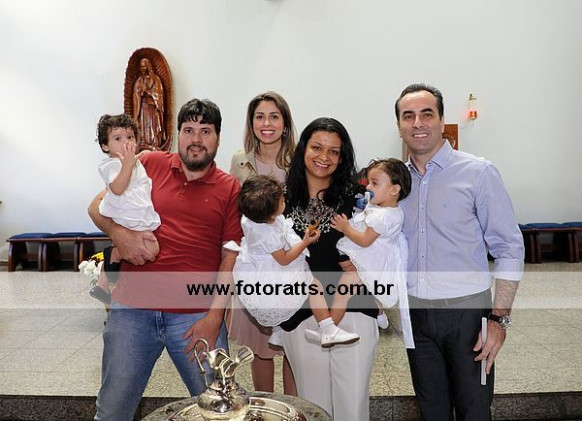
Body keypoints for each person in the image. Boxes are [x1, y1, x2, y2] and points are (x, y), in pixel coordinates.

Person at [88, 98, 242, 421]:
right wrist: (119, 235)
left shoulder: (230, 188)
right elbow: (96, 208)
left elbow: (229, 261)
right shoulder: (148, 163)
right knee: (112, 411)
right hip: (132, 311)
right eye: (188, 130)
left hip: (195, 316)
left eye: (205, 131)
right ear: (177, 134)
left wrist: (215, 318)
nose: (196, 139)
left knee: (220, 410)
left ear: (218, 138)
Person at [394, 83, 525, 421]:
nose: (418, 123)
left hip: (469, 316)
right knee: (432, 410)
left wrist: (499, 318)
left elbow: (509, 247)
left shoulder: (478, 172)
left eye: (427, 114)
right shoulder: (396, 183)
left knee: (474, 410)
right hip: (416, 316)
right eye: (408, 116)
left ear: (442, 120)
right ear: (399, 125)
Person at [279, 117, 379, 421]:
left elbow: (382, 246)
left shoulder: (358, 198)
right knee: (313, 407)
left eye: (334, 151)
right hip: (301, 312)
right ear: (303, 149)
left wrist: (363, 266)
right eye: (317, 147)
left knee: (352, 407)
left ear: (342, 157)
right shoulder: (281, 198)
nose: (324, 157)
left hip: (354, 309)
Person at [227, 175, 360, 346]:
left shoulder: (251, 218)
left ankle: (278, 333)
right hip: (275, 269)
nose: (285, 201)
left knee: (277, 301)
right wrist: (305, 242)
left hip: (258, 266)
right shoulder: (268, 234)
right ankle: (327, 329)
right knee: (314, 286)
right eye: (282, 200)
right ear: (271, 214)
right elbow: (284, 259)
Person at [228, 91, 297, 394]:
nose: (266, 123)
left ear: (285, 123)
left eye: (274, 116)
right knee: (261, 347)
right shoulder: (240, 161)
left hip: (290, 264)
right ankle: (265, 408)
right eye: (259, 117)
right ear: (251, 122)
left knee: (293, 348)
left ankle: (294, 411)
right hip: (256, 268)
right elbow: (233, 212)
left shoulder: (299, 161)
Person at [329, 158, 415, 349]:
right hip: (377, 257)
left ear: (394, 190)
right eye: (368, 182)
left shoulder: (383, 216)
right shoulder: (387, 209)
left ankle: (329, 329)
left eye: (374, 183)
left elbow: (364, 240)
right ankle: (379, 312)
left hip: (367, 258)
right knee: (373, 288)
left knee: (342, 293)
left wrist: (345, 228)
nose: (368, 187)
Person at [89, 114, 161, 305]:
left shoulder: (131, 162)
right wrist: (128, 165)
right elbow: (117, 188)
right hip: (125, 213)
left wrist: (139, 157)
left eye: (130, 137)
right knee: (151, 248)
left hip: (136, 211)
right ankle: (112, 257)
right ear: (105, 146)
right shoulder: (111, 165)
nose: (126, 142)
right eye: (118, 138)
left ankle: (105, 281)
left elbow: (138, 170)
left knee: (151, 248)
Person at [133, 58, 165, 150]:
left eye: (144, 67)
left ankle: (154, 144)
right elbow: (136, 95)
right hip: (143, 107)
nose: (142, 69)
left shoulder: (155, 79)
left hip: (153, 107)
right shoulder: (139, 80)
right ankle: (143, 143)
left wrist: (148, 93)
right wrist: (140, 93)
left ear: (148, 67)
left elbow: (159, 94)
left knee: (153, 126)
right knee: (143, 126)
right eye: (141, 67)